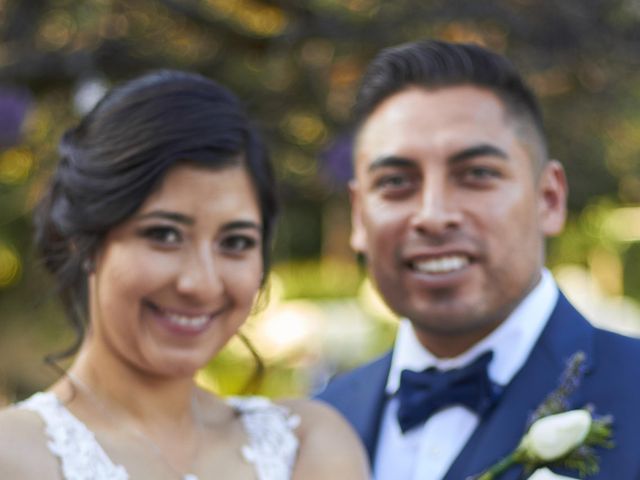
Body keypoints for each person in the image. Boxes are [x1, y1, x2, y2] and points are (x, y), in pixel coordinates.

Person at [0, 70, 369, 480]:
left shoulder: (309, 445)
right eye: (164, 234)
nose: (201, 283)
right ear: (83, 242)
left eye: (235, 242)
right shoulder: (15, 456)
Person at [317, 39, 640, 479]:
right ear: (358, 215)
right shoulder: (319, 423)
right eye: (395, 181)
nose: (432, 216)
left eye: (477, 175)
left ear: (549, 198)